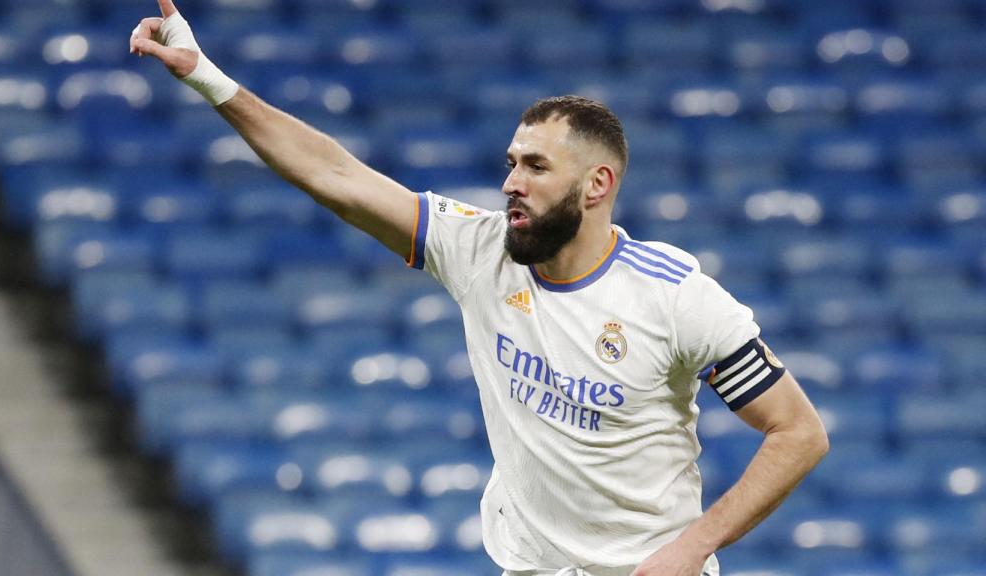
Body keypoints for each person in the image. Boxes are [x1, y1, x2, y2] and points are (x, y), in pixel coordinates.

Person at [130, 2, 829, 575]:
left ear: (597, 185)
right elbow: (336, 176)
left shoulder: (675, 297)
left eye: (535, 167)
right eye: (511, 163)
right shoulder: (480, 250)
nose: (510, 183)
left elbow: (798, 433)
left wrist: (692, 547)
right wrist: (209, 78)